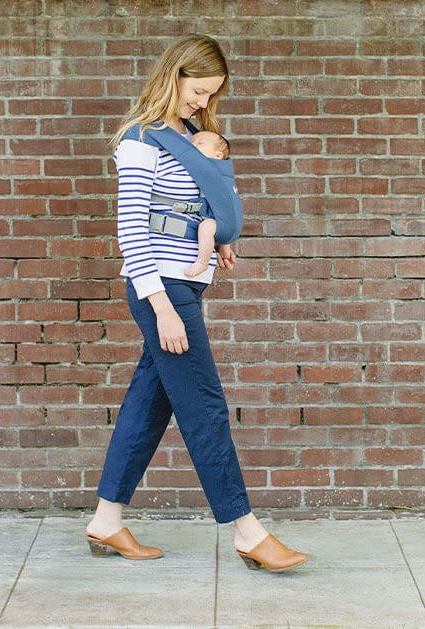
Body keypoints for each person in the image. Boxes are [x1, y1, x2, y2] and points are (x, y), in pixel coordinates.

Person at [85, 33, 308, 572]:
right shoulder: (141, 140)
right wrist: (161, 307)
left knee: (149, 403)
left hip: (185, 283)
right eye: (198, 90)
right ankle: (248, 532)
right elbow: (132, 230)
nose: (203, 102)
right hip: (161, 289)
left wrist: (217, 241)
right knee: (205, 406)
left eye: (212, 94)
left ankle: (106, 522)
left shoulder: (192, 137)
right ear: (174, 76)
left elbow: (194, 204)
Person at [184, 130, 232, 278]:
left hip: (220, 218)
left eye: (200, 143)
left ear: (218, 156)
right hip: (221, 219)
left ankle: (202, 262)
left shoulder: (216, 170)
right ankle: (225, 250)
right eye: (191, 143)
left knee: (205, 227)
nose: (193, 145)